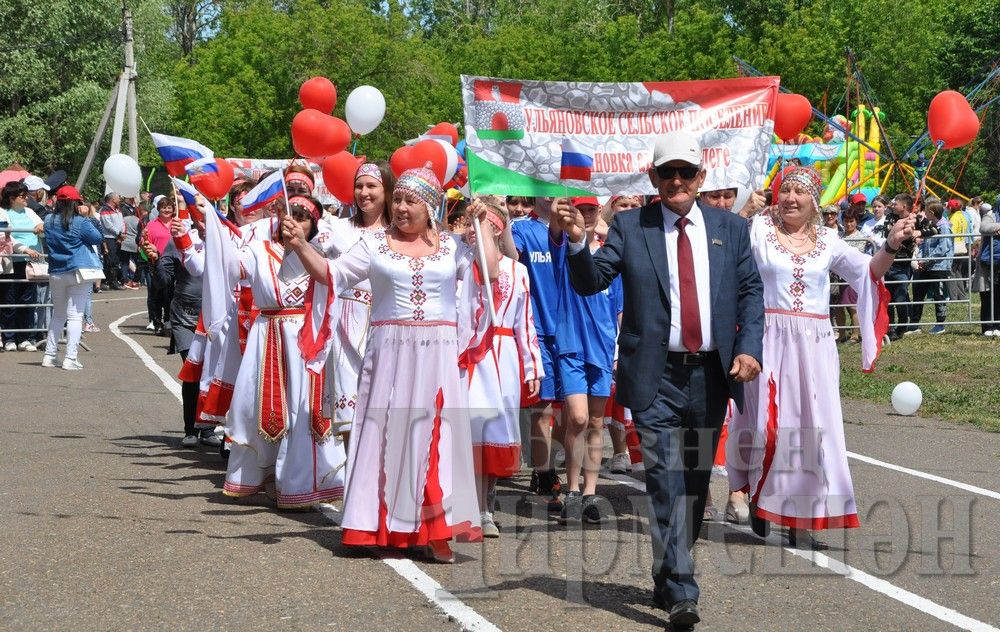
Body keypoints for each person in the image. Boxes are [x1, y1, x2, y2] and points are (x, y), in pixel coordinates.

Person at [557, 131, 764, 629]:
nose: (676, 181)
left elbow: (751, 291)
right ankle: (683, 591)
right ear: (652, 179)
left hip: (712, 375)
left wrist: (749, 349)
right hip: (655, 375)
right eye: (667, 172)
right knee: (666, 483)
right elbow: (590, 281)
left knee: (693, 486)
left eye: (685, 172)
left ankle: (666, 569)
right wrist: (577, 240)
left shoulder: (730, 229)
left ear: (701, 178)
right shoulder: (632, 226)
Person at [288, 167, 494, 563]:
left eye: (409, 201)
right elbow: (332, 275)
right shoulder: (373, 246)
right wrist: (300, 245)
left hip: (437, 356)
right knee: (385, 434)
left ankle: (436, 530)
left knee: (435, 437)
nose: (399, 208)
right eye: (396, 199)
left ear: (431, 206)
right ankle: (376, 527)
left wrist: (483, 224)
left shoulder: (452, 247)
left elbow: (491, 268)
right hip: (389, 356)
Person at [727, 167, 914, 552]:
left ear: (815, 201)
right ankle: (760, 494)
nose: (791, 198)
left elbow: (867, 273)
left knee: (811, 430)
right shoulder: (758, 230)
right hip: (767, 336)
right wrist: (742, 210)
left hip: (814, 344)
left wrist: (892, 244)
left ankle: (798, 512)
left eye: (800, 192)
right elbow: (726, 253)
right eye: (786, 191)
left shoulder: (829, 239)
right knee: (767, 424)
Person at [222, 194, 347, 508]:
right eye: (288, 215)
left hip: (309, 339)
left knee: (303, 411)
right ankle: (262, 475)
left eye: (303, 217)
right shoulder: (258, 251)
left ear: (314, 224)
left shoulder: (323, 254)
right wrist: (205, 226)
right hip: (268, 336)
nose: (294, 222)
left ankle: (300, 482)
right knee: (259, 407)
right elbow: (226, 267)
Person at [280, 162, 394, 441]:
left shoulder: (399, 233)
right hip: (344, 324)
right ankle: (353, 483)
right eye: (359, 186)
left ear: (387, 190)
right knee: (349, 421)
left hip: (385, 324)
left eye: (371, 186)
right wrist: (297, 243)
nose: (363, 192)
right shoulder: (337, 228)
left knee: (385, 415)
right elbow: (299, 269)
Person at [464, 199, 543, 537]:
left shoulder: (517, 270)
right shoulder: (459, 264)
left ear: (496, 229)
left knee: (494, 429)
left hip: (504, 355)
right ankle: (465, 505)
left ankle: (486, 508)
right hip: (467, 353)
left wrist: (532, 367)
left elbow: (526, 322)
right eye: (468, 223)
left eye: (479, 223)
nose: (470, 230)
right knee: (468, 425)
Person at [549, 196, 623, 525]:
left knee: (596, 423)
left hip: (603, 347)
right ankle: (573, 489)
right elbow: (556, 231)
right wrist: (562, 220)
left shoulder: (610, 256)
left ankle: (590, 492)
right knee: (577, 419)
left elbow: (619, 308)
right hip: (571, 344)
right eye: (583, 210)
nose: (588, 215)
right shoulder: (566, 248)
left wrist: (620, 350)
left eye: (593, 209)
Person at [501, 196, 564, 512]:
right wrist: (502, 220)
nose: (550, 193)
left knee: (574, 413)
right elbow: (510, 257)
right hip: (537, 328)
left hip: (572, 331)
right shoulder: (523, 228)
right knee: (543, 408)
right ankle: (545, 472)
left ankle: (546, 461)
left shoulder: (575, 228)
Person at [39, 186, 103, 370]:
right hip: (78, 270)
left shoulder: (49, 219)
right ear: (76, 203)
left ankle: (49, 355)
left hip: (56, 270)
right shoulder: (80, 222)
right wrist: (87, 217)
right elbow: (97, 238)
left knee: (58, 314)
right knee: (75, 316)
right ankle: (70, 358)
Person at [874, 193, 939, 339]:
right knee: (887, 297)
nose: (893, 204)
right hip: (888, 262)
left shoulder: (917, 218)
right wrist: (903, 230)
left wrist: (919, 231)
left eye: (895, 202)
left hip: (903, 264)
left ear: (904, 206)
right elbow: (886, 232)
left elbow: (936, 229)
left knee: (900, 296)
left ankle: (902, 325)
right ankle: (889, 329)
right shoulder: (891, 217)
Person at [1, 181, 45, 351]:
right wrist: (25, 249)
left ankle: (24, 337)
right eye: (22, 195)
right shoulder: (3, 212)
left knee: (28, 300)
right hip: (11, 262)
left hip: (30, 263)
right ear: (12, 198)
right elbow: (7, 237)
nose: (27, 198)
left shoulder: (29, 211)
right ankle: (9, 337)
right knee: (9, 300)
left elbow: (41, 226)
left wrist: (41, 226)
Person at [911, 199, 953, 334]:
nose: (925, 213)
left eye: (927, 211)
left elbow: (943, 247)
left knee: (938, 295)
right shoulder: (931, 225)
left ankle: (940, 324)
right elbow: (924, 243)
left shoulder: (944, 226)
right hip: (927, 266)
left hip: (939, 267)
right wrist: (921, 259)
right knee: (918, 293)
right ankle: (914, 324)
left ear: (932, 212)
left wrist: (926, 260)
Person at [972, 203, 1000, 335]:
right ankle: (987, 326)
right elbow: (984, 228)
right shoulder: (991, 215)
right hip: (987, 263)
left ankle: (998, 326)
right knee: (987, 295)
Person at [99, 193, 124, 290]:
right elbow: (107, 225)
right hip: (109, 238)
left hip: (118, 237)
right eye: (118, 199)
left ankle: (113, 281)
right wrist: (118, 233)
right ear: (113, 199)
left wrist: (121, 234)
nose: (119, 200)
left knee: (116, 260)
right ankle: (105, 281)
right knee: (109, 260)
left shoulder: (118, 210)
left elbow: (122, 223)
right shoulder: (105, 210)